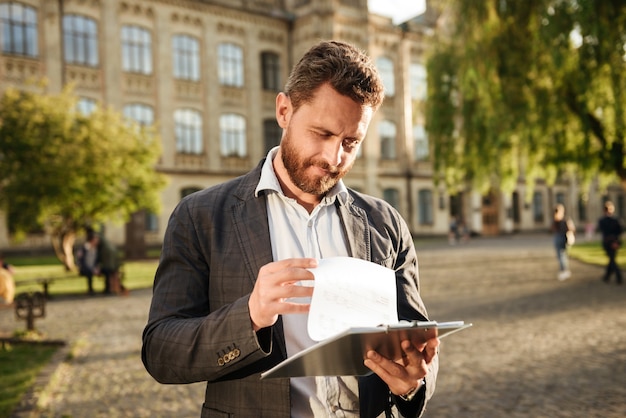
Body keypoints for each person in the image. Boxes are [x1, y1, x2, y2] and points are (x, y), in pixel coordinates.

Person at [142, 40, 439, 418]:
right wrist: (249, 315)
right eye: (322, 134)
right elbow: (161, 352)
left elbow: (417, 338)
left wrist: (413, 384)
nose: (334, 158)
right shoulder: (200, 216)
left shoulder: (385, 223)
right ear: (284, 110)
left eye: (351, 142)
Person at [597, 201, 623, 284]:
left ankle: (617, 276)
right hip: (612, 241)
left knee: (612, 259)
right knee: (612, 258)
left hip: (609, 242)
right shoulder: (615, 220)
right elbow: (619, 231)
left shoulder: (603, 220)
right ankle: (608, 276)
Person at [551, 204, 575, 281]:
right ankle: (564, 270)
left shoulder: (560, 220)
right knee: (562, 255)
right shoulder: (563, 220)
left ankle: (564, 270)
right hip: (562, 238)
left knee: (561, 255)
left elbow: (552, 229)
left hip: (560, 238)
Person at [76, 229, 100, 295]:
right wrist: (91, 269)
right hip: (84, 269)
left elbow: (96, 261)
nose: (97, 241)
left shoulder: (95, 248)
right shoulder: (84, 248)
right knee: (89, 272)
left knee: (107, 270)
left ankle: (107, 289)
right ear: (92, 240)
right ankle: (90, 290)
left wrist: (96, 268)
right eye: (96, 239)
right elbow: (81, 261)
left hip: (92, 268)